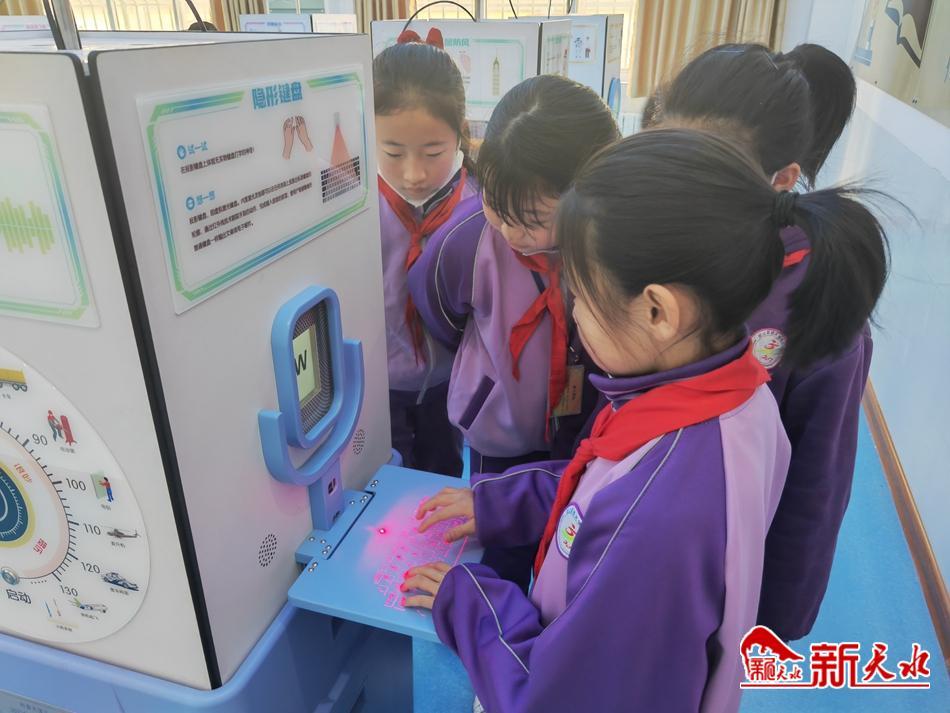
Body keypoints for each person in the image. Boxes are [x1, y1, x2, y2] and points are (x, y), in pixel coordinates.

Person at [402, 128, 888, 712]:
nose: (576, 315)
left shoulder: (657, 518)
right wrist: (500, 502)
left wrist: (472, 603)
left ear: (658, 311)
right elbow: (605, 481)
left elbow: (554, 699)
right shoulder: (737, 396)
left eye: (583, 297)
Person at [644, 42, 889, 640]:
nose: (679, 187)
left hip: (720, 568)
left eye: (710, 170)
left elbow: (816, 479)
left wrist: (777, 610)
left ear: (781, 179)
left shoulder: (818, 304)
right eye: (669, 156)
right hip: (633, 527)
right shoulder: (652, 237)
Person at [408, 74, 619, 588]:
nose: (509, 231)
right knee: (496, 538)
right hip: (499, 427)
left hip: (584, 430)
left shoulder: (613, 249)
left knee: (569, 542)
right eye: (496, 206)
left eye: (531, 219)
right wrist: (485, 374)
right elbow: (438, 308)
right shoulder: (467, 241)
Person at [374, 29, 478, 476]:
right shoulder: (355, 209)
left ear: (460, 135)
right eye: (393, 152)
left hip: (449, 382)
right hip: (379, 387)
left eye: (433, 152)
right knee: (385, 483)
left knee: (443, 479)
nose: (413, 174)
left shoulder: (479, 207)